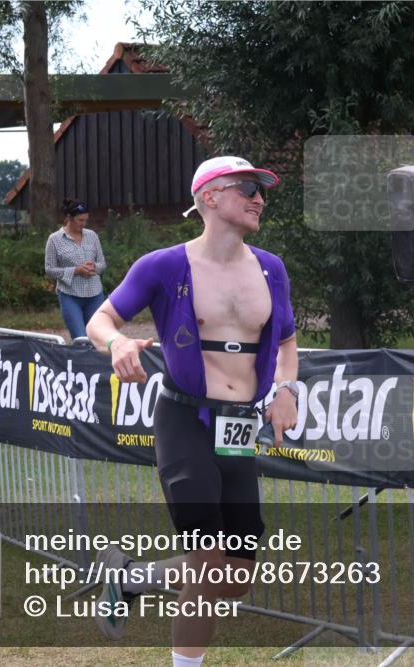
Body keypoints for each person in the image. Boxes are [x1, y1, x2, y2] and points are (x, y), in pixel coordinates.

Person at [85, 156, 298, 667]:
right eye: (246, 187)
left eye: (261, 189)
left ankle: (130, 575)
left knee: (236, 575)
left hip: (239, 427)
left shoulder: (271, 268)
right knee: (207, 561)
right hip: (184, 421)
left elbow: (288, 340)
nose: (259, 198)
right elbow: (101, 319)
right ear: (209, 197)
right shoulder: (163, 265)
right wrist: (116, 343)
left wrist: (288, 390)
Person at [44, 199, 106, 340]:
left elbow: (102, 264)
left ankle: (96, 362)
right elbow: (49, 269)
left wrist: (94, 267)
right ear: (69, 218)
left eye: (86, 220)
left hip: (95, 294)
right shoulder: (54, 239)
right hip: (70, 295)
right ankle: (80, 362)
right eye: (80, 220)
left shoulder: (92, 236)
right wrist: (75, 271)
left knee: (97, 338)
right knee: (80, 339)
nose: (84, 224)